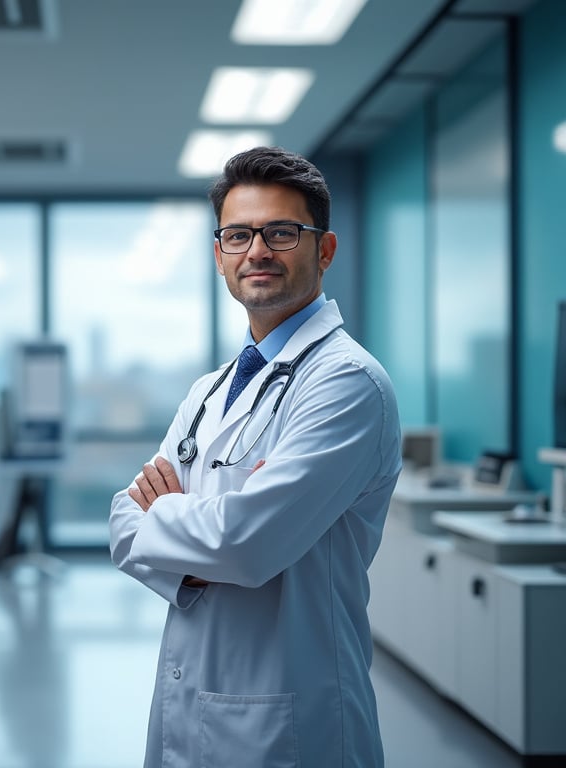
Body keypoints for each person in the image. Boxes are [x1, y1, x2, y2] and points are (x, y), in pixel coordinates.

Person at [109, 146, 401, 767]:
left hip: (293, 717)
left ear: (324, 250)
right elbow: (121, 524)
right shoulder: (209, 388)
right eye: (238, 235)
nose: (258, 251)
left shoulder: (346, 383)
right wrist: (203, 536)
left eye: (282, 233)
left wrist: (181, 522)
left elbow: (245, 546)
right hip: (194, 704)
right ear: (219, 256)